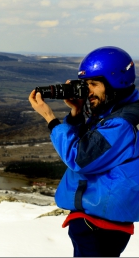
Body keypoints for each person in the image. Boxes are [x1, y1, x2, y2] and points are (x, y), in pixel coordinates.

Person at [29, 46, 139, 257]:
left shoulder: (121, 124)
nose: (88, 91)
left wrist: (50, 119)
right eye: (85, 84)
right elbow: (90, 145)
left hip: (99, 227)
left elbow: (79, 158)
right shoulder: (117, 113)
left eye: (94, 84)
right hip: (99, 222)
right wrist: (76, 113)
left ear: (116, 82)